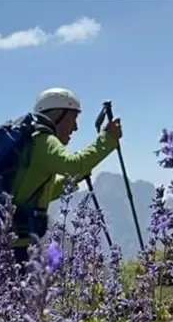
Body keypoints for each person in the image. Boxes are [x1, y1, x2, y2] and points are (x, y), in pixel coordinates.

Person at [9, 87, 123, 263]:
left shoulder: (31, 142)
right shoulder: (44, 140)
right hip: (19, 246)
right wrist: (107, 140)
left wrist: (73, 180)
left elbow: (42, 192)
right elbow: (73, 165)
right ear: (58, 115)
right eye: (73, 119)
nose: (76, 127)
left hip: (13, 241)